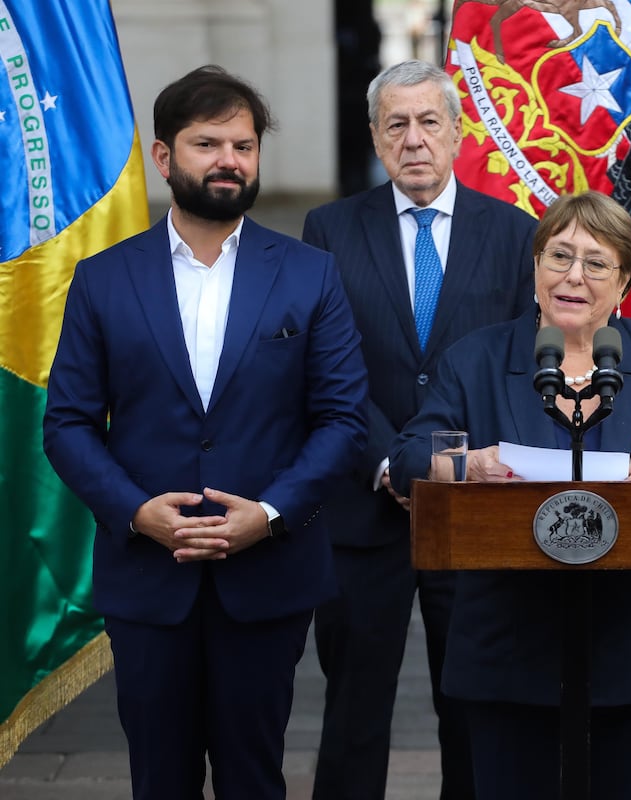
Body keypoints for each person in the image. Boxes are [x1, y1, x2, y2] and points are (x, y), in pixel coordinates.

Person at [42, 66, 369, 799]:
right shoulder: (102, 279)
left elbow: (343, 419)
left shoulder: (311, 275)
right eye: (207, 143)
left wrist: (271, 514)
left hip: (267, 578)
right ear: (165, 158)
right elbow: (67, 423)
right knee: (160, 779)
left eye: (244, 146)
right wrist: (134, 512)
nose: (229, 160)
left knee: (255, 776)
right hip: (148, 578)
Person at [389, 190, 631, 799]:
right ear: (534, 269)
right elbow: (407, 457)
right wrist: (464, 463)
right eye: (558, 256)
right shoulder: (475, 359)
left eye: (595, 262)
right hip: (511, 646)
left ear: (623, 284)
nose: (573, 276)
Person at [301, 59, 536, 800]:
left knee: (474, 711)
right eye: (395, 124)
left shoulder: (516, 233)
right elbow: (324, 366)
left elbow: (516, 370)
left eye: (429, 122)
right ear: (374, 136)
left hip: (473, 513)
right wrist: (392, 466)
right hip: (364, 512)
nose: (413, 140)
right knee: (353, 714)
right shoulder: (331, 229)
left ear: (458, 133)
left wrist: (448, 466)